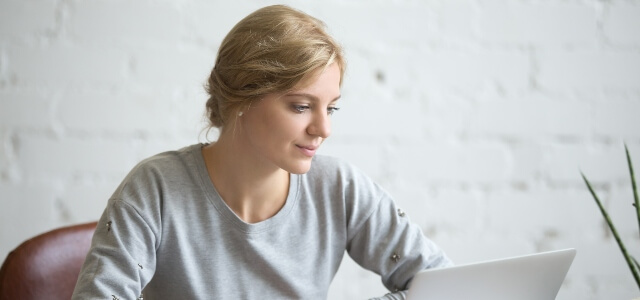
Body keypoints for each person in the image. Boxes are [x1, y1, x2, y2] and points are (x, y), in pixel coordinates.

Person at [72, 5, 452, 300]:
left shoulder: (341, 188)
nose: (324, 129)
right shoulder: (154, 189)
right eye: (301, 106)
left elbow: (447, 286)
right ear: (242, 99)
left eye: (331, 107)